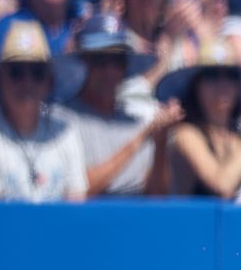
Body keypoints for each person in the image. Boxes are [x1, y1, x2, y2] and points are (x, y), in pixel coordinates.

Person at [0, 18, 89, 201]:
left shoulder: (66, 132)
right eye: (16, 72)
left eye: (37, 73)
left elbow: (76, 205)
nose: (27, 83)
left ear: (49, 83)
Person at [54, 13, 182, 196]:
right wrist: (137, 141)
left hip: (136, 216)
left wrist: (160, 144)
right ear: (83, 64)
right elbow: (80, 189)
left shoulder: (136, 118)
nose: (109, 71)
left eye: (117, 62)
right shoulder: (62, 120)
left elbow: (157, 194)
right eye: (100, 61)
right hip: (88, 217)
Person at [157, 39, 241, 199]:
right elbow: (222, 185)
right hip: (194, 222)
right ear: (196, 86)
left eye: (230, 76)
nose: (222, 85)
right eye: (212, 76)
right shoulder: (186, 135)